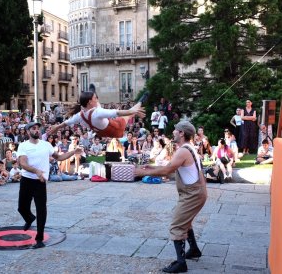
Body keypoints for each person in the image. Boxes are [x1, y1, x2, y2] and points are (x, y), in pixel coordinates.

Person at [134, 121, 207, 273]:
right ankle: (193, 249)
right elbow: (171, 167)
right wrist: (152, 167)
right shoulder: (187, 148)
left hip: (192, 194)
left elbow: (168, 170)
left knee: (176, 226)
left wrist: (144, 173)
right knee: (186, 222)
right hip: (196, 193)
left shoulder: (183, 151)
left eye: (175, 130)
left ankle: (181, 263)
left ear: (181, 133)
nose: (173, 132)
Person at [17, 122, 83, 249]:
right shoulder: (23, 146)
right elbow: (23, 164)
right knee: (22, 208)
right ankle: (29, 218)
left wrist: (74, 151)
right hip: (27, 180)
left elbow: (59, 157)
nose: (37, 130)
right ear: (27, 132)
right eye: (33, 129)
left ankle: (39, 238)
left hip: (40, 182)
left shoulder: (46, 145)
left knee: (41, 209)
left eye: (38, 128)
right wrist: (36, 171)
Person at [49, 91, 145, 138]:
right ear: (90, 102)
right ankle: (140, 103)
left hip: (103, 132)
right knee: (128, 116)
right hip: (116, 129)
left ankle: (138, 106)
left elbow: (65, 123)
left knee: (129, 114)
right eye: (95, 98)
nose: (97, 99)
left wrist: (56, 128)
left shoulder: (79, 115)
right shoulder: (97, 112)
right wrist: (133, 111)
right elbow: (118, 112)